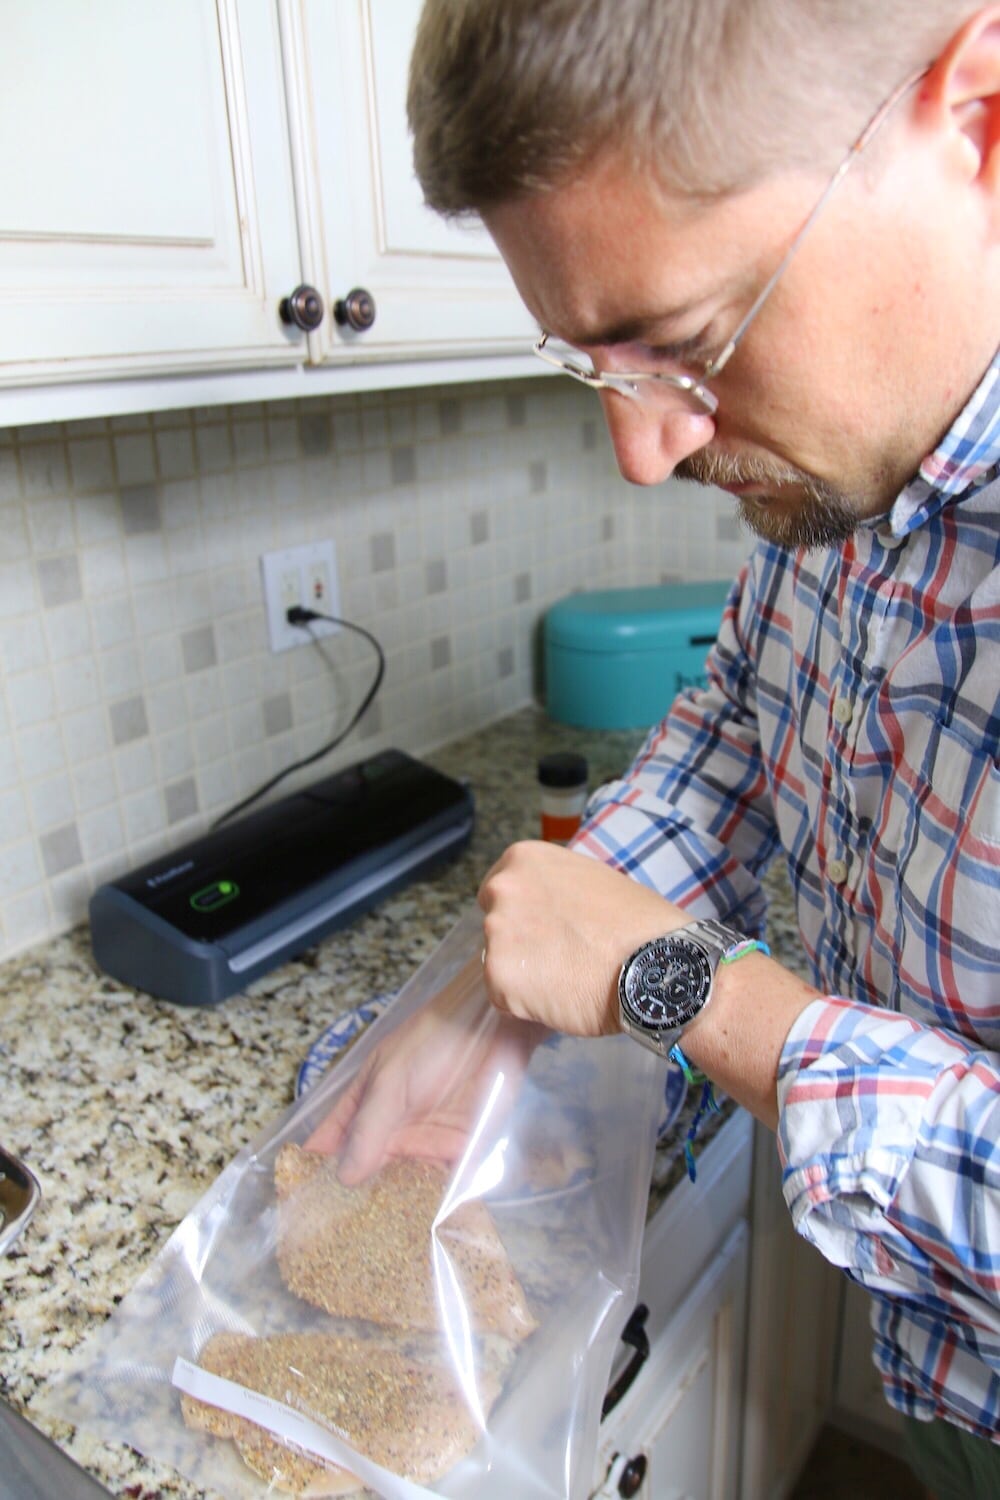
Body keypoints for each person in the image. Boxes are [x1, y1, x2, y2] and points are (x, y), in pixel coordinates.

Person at [317, 3, 1000, 1494]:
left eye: (685, 342)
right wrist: (495, 991)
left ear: (979, 119)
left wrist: (677, 982)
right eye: (593, 364)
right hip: (948, 1357)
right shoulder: (841, 480)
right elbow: (735, 747)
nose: (646, 451)